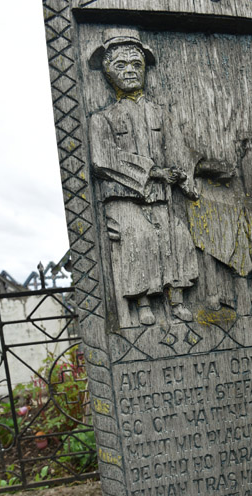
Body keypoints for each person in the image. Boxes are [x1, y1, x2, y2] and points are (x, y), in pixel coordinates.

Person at [89, 29, 199, 325]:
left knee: (177, 235)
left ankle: (175, 299)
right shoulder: (102, 118)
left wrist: (182, 177)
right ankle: (142, 302)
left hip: (160, 200)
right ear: (107, 72)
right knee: (141, 237)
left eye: (136, 65)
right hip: (124, 200)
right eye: (120, 66)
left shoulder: (161, 114)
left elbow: (178, 150)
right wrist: (151, 171)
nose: (129, 72)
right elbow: (102, 159)